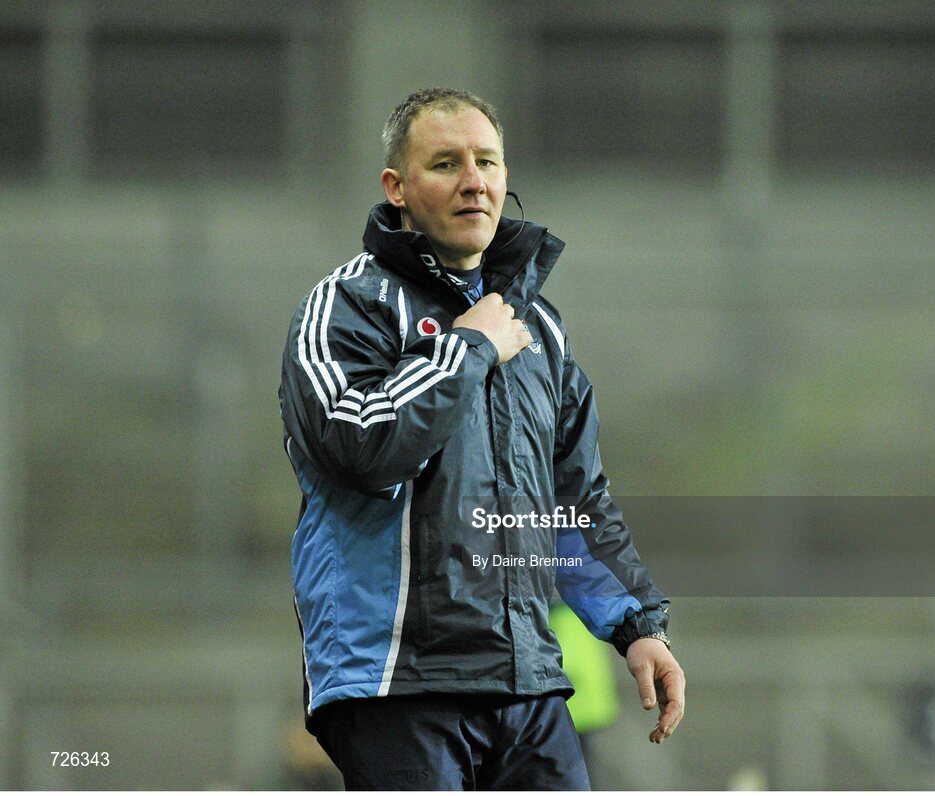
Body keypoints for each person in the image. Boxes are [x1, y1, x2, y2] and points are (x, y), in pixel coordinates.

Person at [279, 87, 684, 790]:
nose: (474, 181)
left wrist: (638, 625)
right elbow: (361, 447)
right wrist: (465, 350)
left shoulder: (540, 329)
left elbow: (572, 503)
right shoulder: (344, 307)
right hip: (396, 682)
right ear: (396, 188)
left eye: (488, 161)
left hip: (526, 677)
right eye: (446, 164)